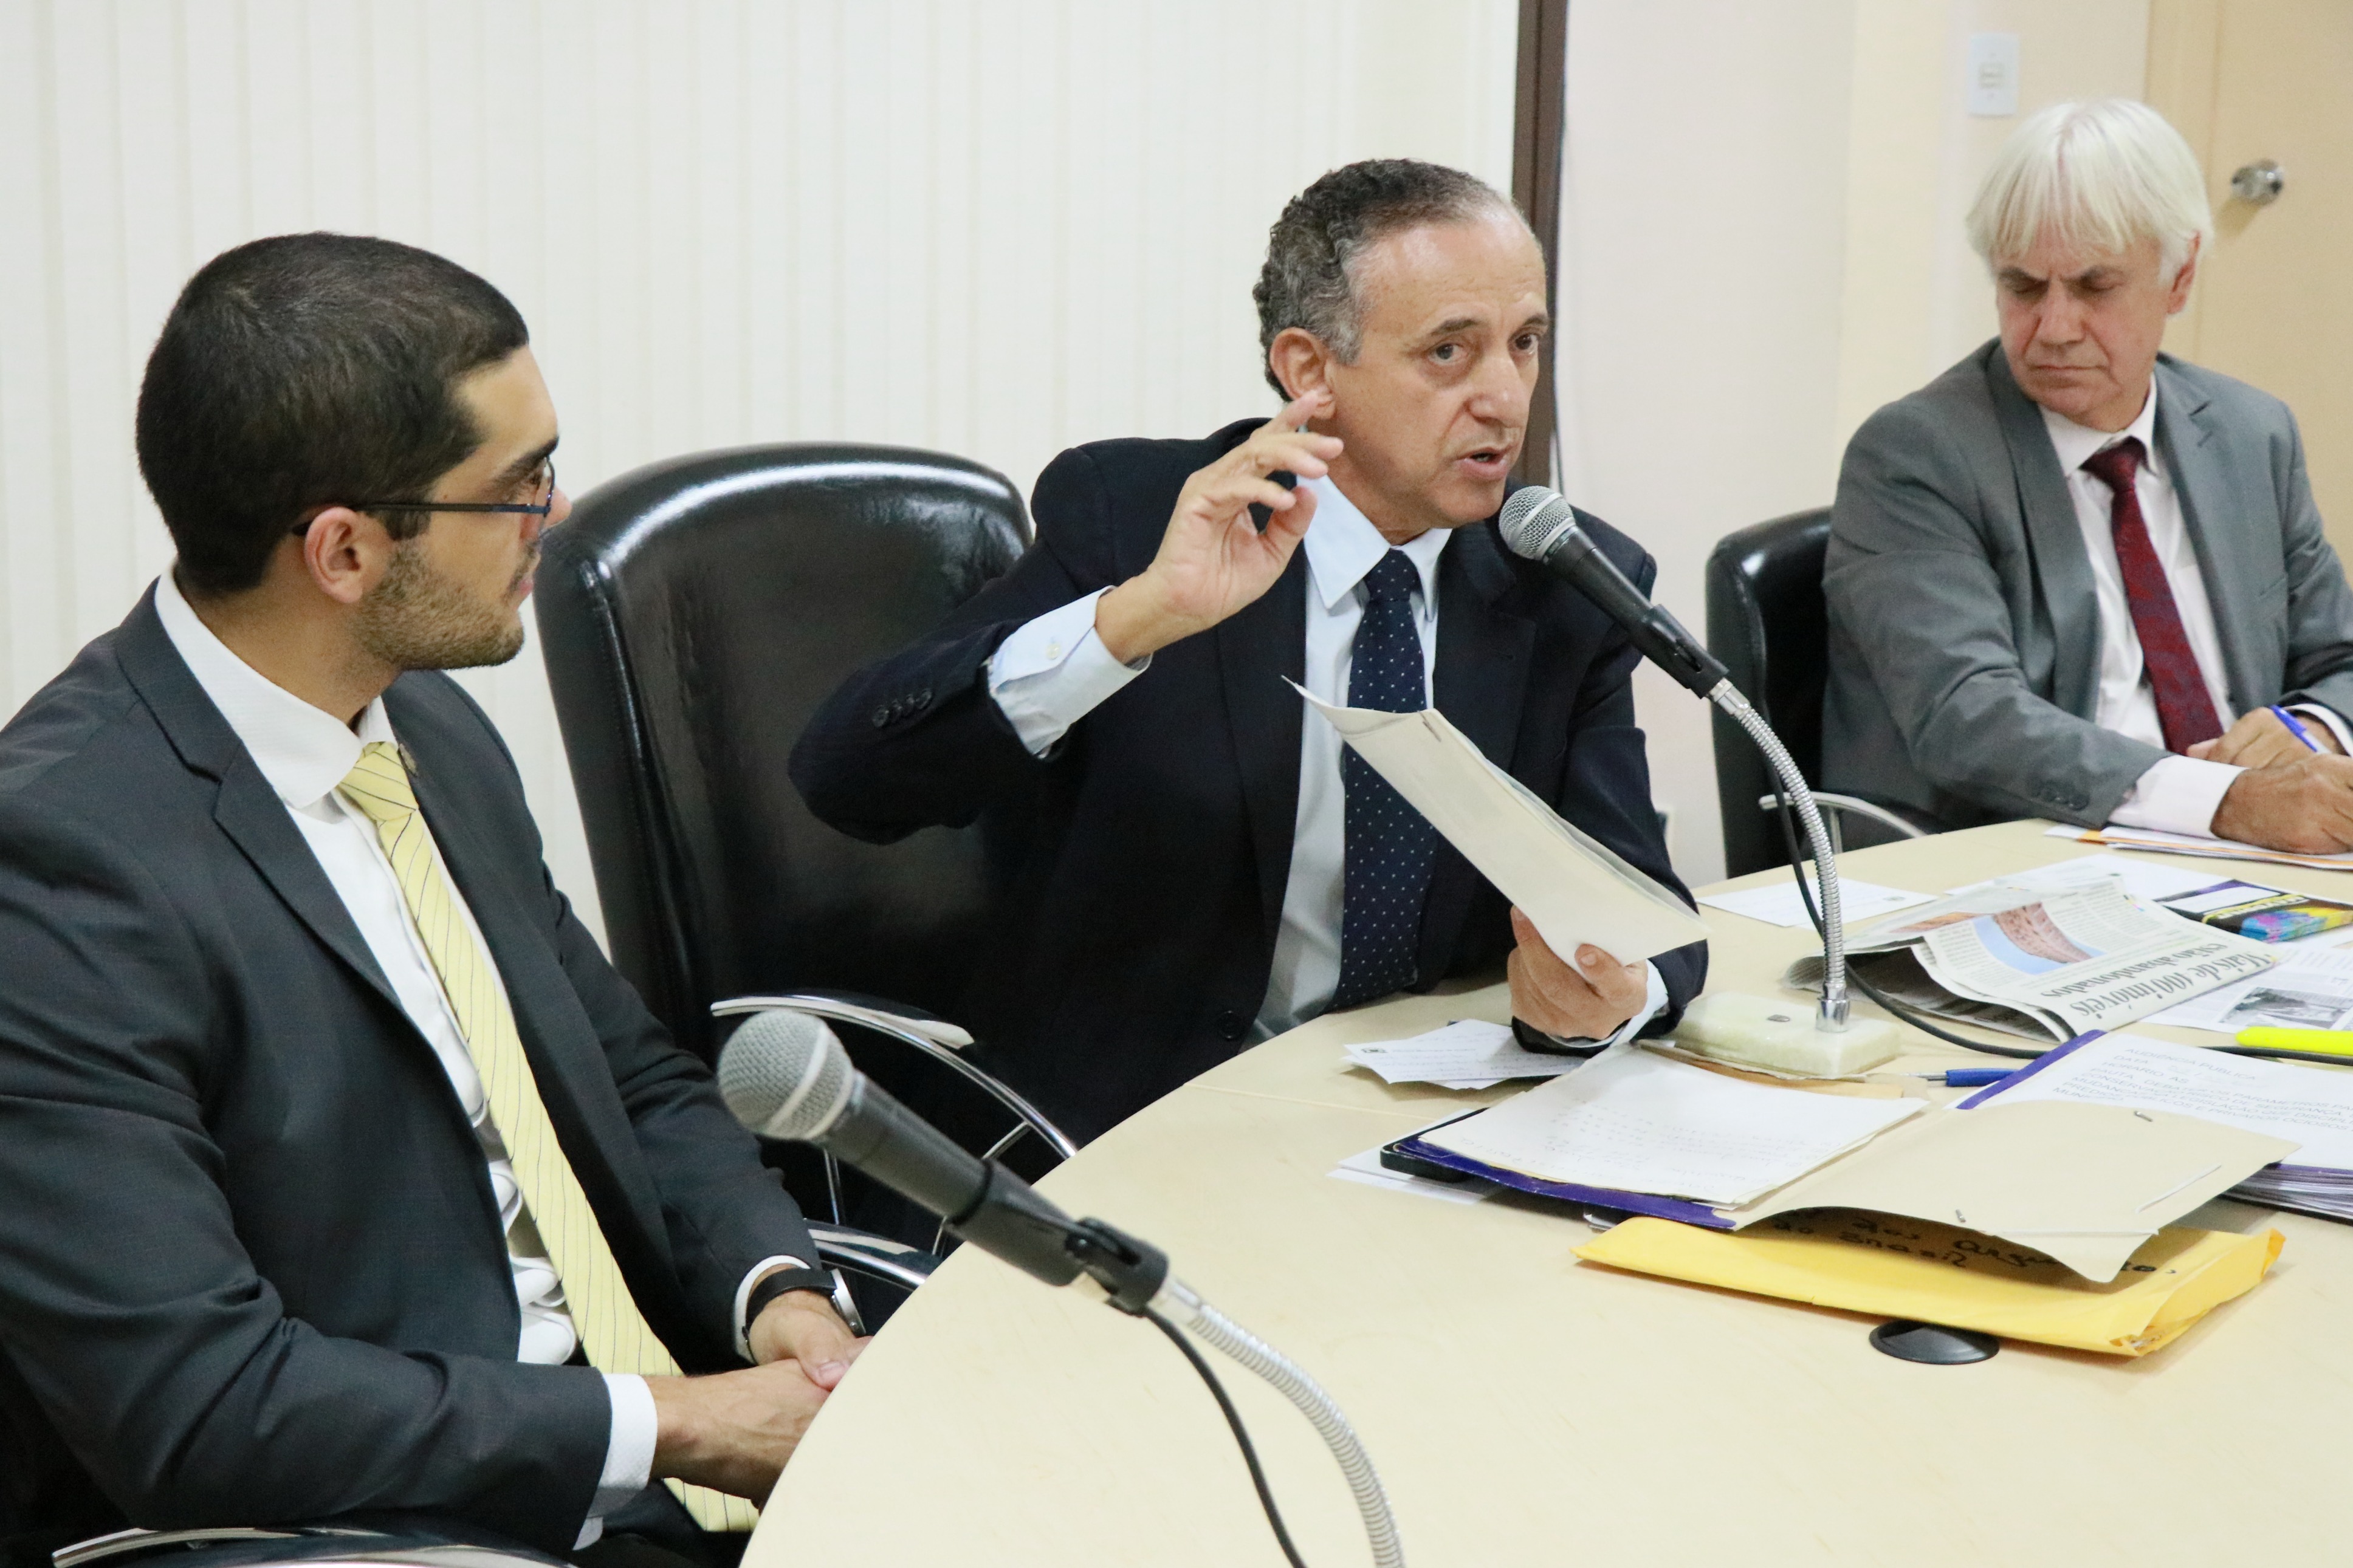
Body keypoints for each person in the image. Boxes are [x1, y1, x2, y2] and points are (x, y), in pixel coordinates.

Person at [0, 235, 862, 1565]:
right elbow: (200, 1402)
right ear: (345, 551)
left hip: (625, 1463)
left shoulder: (429, 733)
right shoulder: (57, 863)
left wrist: (777, 1295)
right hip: (343, 1524)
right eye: (516, 487)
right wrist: (677, 1424)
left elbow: (630, 1081)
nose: (553, 517)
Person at [791, 160, 1706, 1143]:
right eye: (1449, 352)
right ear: (1310, 371)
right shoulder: (1137, 520)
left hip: (1408, 1128)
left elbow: (1647, 909)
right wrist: (1137, 617)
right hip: (1127, 1133)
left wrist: (1617, 994)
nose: (1504, 396)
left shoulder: (1563, 582)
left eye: (1523, 344)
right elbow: (850, 779)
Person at [1825, 99, 2353, 853]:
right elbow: (1966, 716)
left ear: (2180, 277)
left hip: (2247, 858)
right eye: (2022, 287)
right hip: (2025, 854)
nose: (2054, 328)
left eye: (2093, 287)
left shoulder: (2249, 434)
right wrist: (2223, 800)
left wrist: (2306, 731)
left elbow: (2340, 658)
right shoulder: (1916, 454)